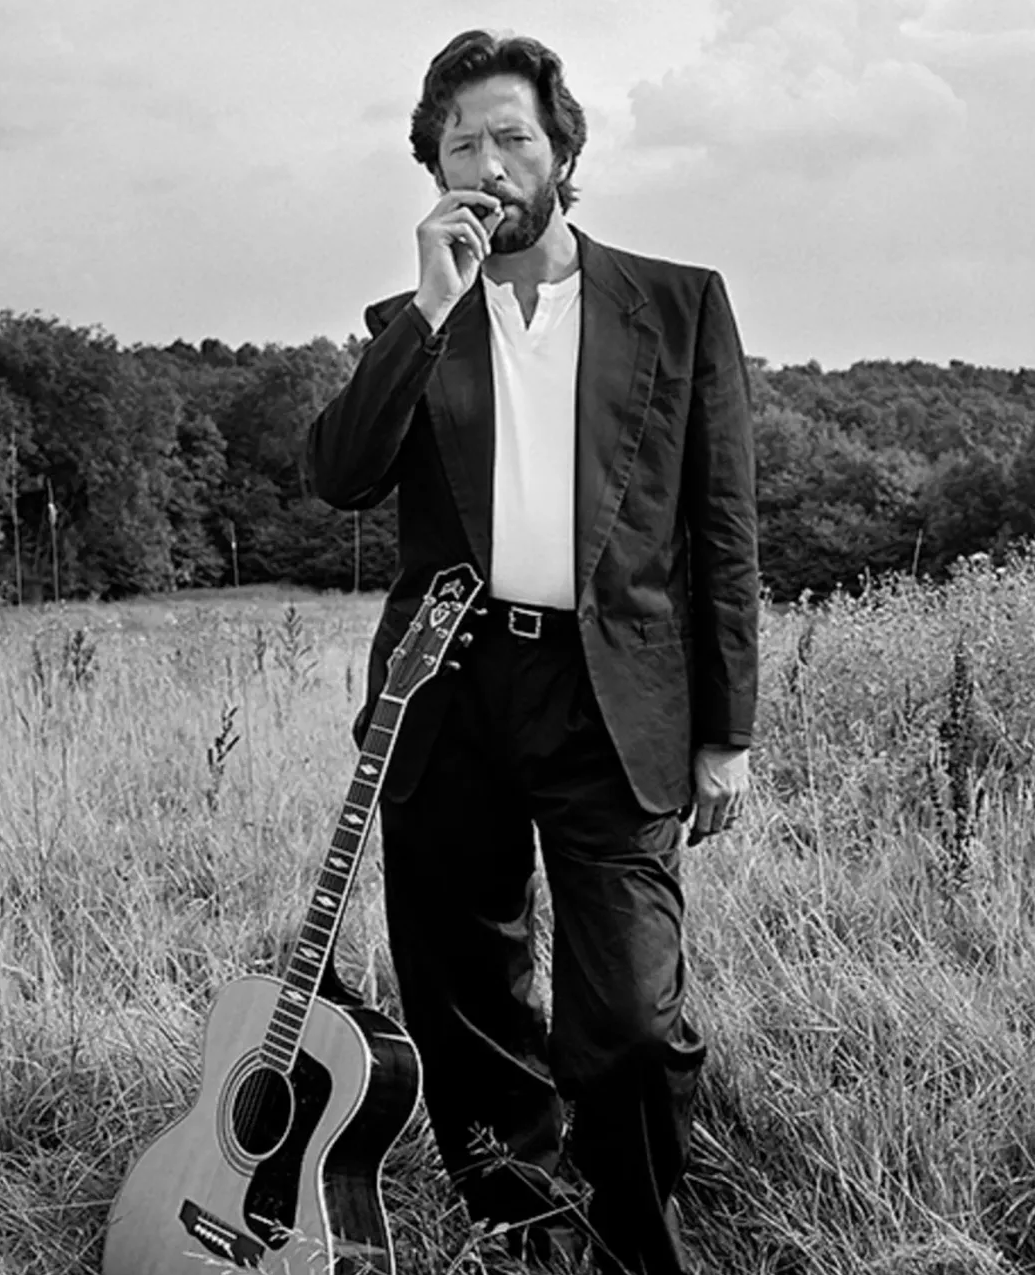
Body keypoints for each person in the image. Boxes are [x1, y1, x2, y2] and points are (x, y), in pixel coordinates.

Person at [306, 28, 758, 1275]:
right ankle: (526, 1235)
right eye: (462, 145)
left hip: (611, 692)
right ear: (432, 169)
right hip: (444, 691)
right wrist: (429, 317)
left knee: (627, 1015)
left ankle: (639, 1244)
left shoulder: (675, 303)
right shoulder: (413, 317)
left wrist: (725, 734)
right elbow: (338, 476)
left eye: (513, 137)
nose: (490, 164)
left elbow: (720, 529)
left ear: (563, 151)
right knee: (464, 998)